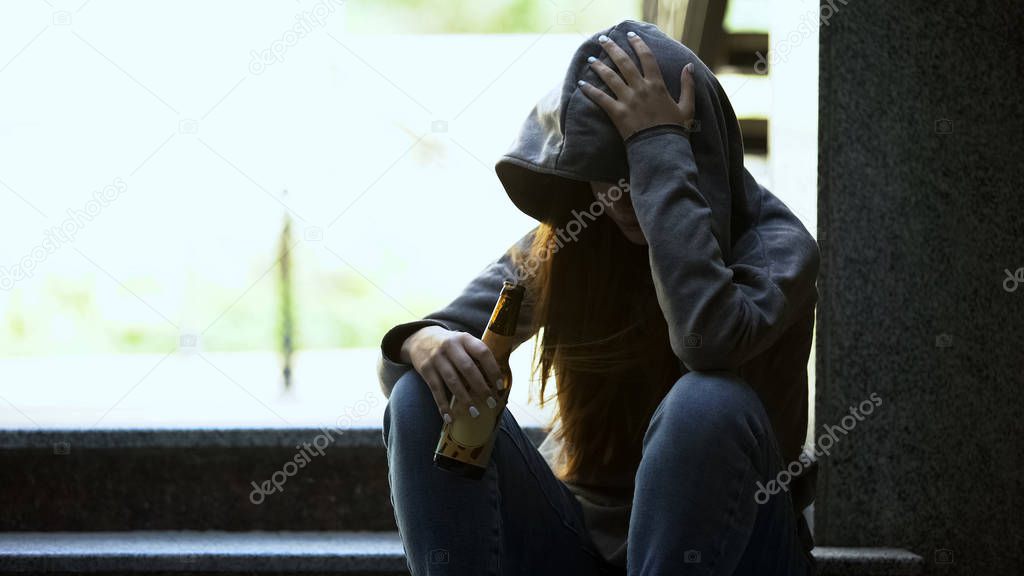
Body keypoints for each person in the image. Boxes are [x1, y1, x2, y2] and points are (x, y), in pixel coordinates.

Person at [376, 19, 819, 576]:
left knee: (707, 401)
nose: (626, 194)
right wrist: (424, 342)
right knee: (422, 389)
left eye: (647, 167)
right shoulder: (575, 242)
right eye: (607, 173)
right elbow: (405, 378)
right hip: (576, 540)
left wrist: (658, 150)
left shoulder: (777, 248)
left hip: (739, 546)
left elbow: (707, 340)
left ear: (693, 157)